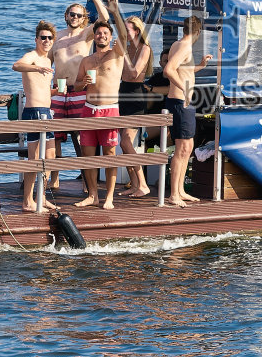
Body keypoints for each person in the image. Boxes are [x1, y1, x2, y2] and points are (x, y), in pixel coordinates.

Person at [48, 0, 110, 192]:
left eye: (78, 15)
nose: (74, 17)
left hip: (79, 90)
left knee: (82, 137)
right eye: (72, 14)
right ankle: (55, 178)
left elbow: (104, 19)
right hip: (58, 90)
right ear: (66, 15)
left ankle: (87, 181)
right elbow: (47, 63)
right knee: (54, 137)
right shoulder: (55, 37)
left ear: (84, 18)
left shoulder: (86, 34)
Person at [73, 19, 127, 209]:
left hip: (109, 109)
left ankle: (109, 197)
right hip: (89, 109)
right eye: (98, 33)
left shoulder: (117, 54)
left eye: (105, 33)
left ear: (110, 37)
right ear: (94, 36)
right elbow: (76, 85)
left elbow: (125, 35)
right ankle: (93, 195)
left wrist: (114, 12)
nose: (101, 36)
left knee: (109, 154)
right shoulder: (86, 60)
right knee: (87, 155)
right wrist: (83, 83)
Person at [163, 15, 215, 208]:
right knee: (182, 148)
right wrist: (184, 89)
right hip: (180, 101)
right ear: (198, 32)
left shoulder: (178, 44)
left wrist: (200, 65)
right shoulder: (184, 46)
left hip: (183, 102)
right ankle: (174, 194)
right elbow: (169, 70)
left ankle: (180, 191)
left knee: (188, 146)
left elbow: (183, 70)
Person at [11, 20, 58, 212]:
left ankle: (42, 197)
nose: (46, 41)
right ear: (36, 39)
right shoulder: (32, 56)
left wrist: (55, 91)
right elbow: (16, 65)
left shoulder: (48, 61)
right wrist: (36, 67)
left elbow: (42, 88)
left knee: (50, 156)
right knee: (35, 158)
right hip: (34, 112)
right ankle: (27, 200)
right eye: (43, 37)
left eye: (49, 38)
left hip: (46, 112)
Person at [112, 11, 155, 198]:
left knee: (126, 141)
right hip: (122, 92)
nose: (124, 33)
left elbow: (134, 73)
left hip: (136, 95)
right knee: (123, 144)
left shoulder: (145, 48)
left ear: (136, 31)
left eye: (127, 30)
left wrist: (122, 54)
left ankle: (143, 184)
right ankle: (135, 184)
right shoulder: (126, 47)